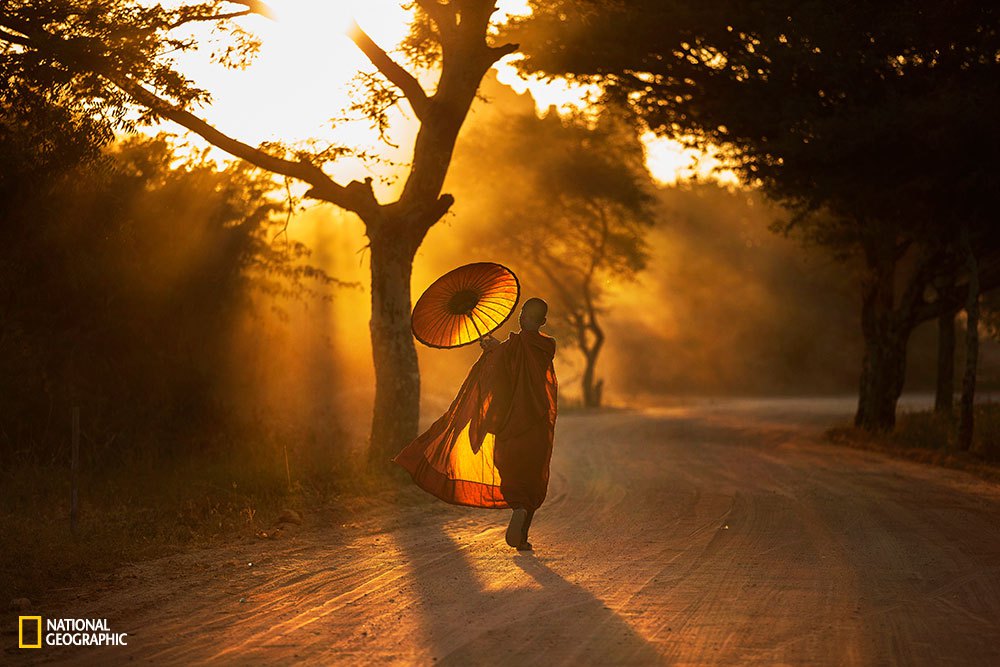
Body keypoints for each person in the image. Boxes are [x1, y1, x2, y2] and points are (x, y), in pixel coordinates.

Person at [393, 298, 558, 550]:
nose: (522, 317)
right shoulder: (547, 345)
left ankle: (519, 507)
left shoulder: (512, 346)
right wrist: (497, 349)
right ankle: (522, 530)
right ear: (543, 322)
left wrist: (493, 350)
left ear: (521, 316)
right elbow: (520, 360)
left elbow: (501, 371)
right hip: (535, 426)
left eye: (524, 313)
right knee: (533, 476)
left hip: (509, 427)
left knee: (509, 469)